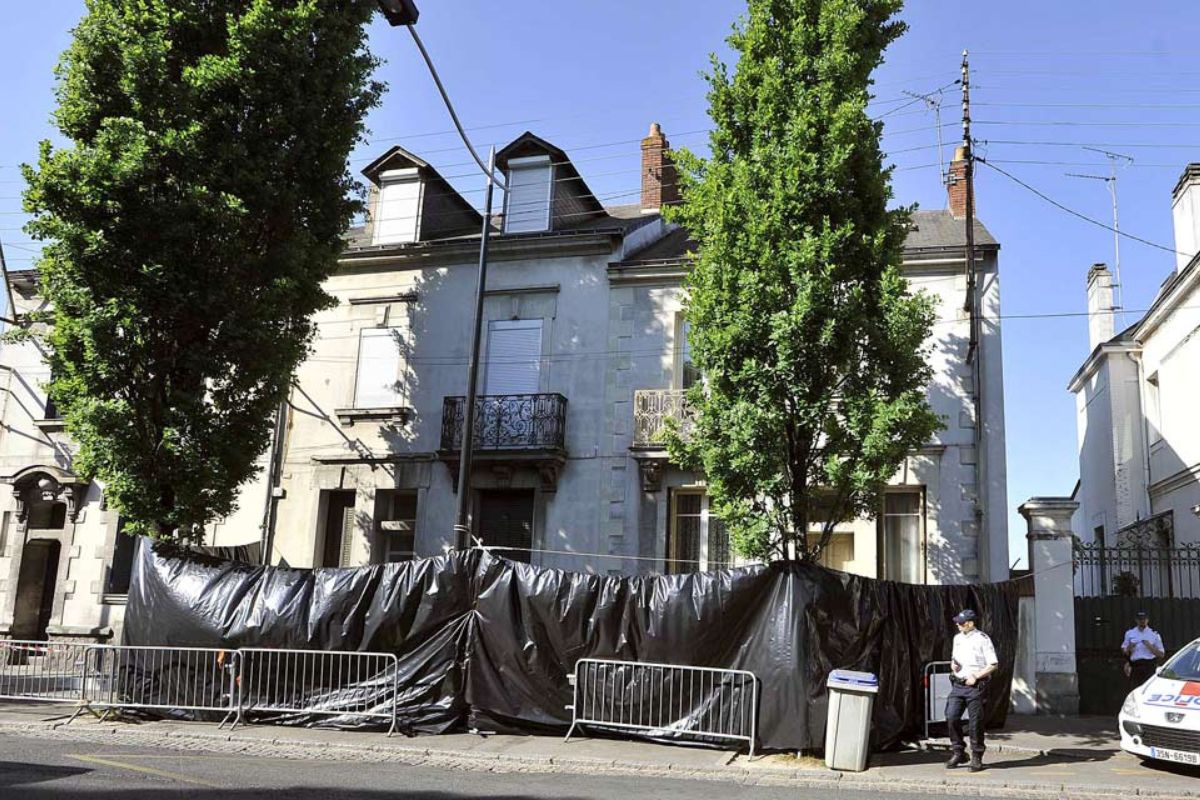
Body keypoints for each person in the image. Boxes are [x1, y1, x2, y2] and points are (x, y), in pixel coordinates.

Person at [945, 609, 998, 773]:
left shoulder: (982, 639)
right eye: (957, 622)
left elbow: (993, 664)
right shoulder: (957, 638)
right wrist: (953, 665)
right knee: (951, 716)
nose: (958, 625)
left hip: (975, 686)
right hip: (958, 685)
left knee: (975, 723)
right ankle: (958, 751)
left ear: (971, 623)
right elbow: (955, 659)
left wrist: (976, 676)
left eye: (961, 622)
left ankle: (977, 756)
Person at [1122, 611, 1165, 688]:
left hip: (1149, 666)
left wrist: (1150, 646)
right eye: (1140, 619)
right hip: (1136, 666)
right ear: (1136, 620)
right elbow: (1124, 652)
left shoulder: (1154, 634)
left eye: (1144, 619)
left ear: (1147, 620)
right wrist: (1130, 647)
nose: (1142, 621)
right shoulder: (1130, 633)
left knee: (1149, 689)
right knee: (1134, 690)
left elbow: (1161, 654)